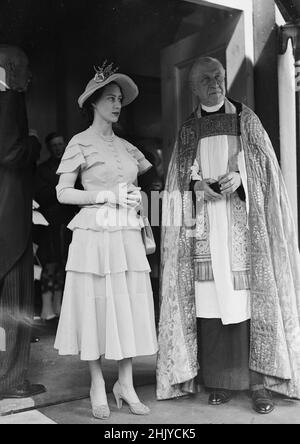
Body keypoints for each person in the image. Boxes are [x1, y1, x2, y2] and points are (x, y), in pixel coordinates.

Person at [157, 57, 300, 414]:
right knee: (211, 304)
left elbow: (267, 171)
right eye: (206, 79)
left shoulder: (245, 120)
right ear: (193, 88)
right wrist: (196, 186)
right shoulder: (188, 131)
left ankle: (258, 385)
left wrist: (242, 180)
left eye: (219, 77)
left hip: (243, 230)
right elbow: (177, 182)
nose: (216, 83)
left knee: (247, 302)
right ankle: (218, 381)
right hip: (204, 230)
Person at [54, 63, 158, 419]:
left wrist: (136, 200)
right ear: (94, 103)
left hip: (126, 234)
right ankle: (97, 382)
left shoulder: (129, 148)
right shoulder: (79, 143)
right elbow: (63, 192)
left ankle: (125, 383)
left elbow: (138, 186)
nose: (117, 105)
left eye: (119, 100)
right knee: (96, 307)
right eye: (110, 99)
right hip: (95, 235)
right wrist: (103, 196)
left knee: (126, 304)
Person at [0, 45, 45, 399]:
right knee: (17, 304)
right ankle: (12, 381)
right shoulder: (9, 101)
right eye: (25, 68)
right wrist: (33, 143)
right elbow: (14, 153)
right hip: (10, 222)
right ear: (10, 69)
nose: (29, 76)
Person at [35, 132, 76, 321]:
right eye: (54, 145)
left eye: (61, 144)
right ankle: (46, 307)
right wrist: (62, 188)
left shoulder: (72, 166)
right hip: (49, 223)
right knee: (49, 264)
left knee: (63, 264)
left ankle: (58, 306)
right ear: (49, 147)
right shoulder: (42, 169)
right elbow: (42, 196)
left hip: (67, 221)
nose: (58, 147)